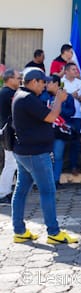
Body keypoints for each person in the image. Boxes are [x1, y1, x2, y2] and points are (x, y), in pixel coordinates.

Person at [11, 68, 77, 244]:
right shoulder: (27, 99)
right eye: (43, 82)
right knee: (48, 191)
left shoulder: (22, 95)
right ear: (33, 82)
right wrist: (59, 99)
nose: (45, 85)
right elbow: (51, 117)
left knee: (21, 190)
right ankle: (54, 233)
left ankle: (19, 231)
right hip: (36, 153)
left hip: (25, 152)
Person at [0, 69, 21, 204]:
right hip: (8, 131)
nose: (20, 80)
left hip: (6, 130)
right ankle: (3, 192)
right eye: (18, 78)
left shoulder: (4, 92)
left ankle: (5, 191)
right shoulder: (9, 94)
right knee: (11, 163)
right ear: (10, 79)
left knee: (11, 163)